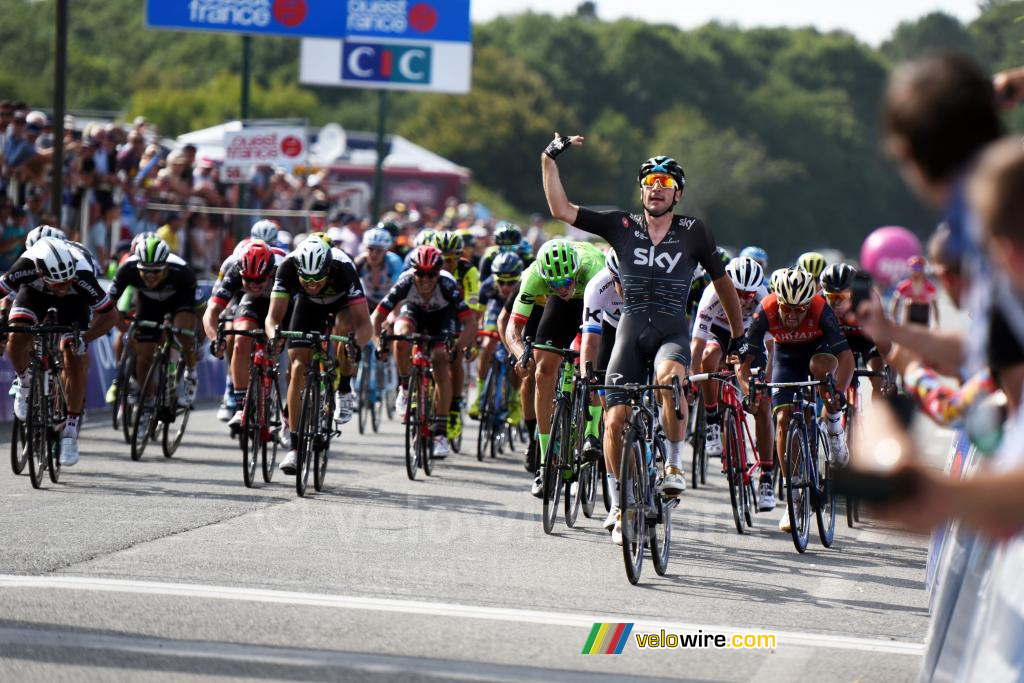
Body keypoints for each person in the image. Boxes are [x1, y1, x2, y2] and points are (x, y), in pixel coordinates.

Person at [540, 139, 745, 543]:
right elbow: (561, 210)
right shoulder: (621, 226)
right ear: (641, 190)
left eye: (665, 182)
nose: (656, 188)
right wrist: (549, 159)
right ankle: (617, 504)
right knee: (614, 419)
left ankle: (672, 465)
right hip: (630, 335)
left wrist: (738, 338)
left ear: (678, 193)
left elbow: (724, 287)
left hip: (671, 332)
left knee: (670, 380)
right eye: (650, 181)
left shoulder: (694, 232)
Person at [737, 268, 853, 531]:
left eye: (799, 310)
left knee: (821, 367)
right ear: (778, 302)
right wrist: (749, 390)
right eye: (786, 309)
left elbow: (846, 358)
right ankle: (793, 498)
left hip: (818, 352)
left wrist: (839, 394)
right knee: (782, 418)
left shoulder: (820, 308)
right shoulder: (766, 309)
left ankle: (834, 427)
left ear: (808, 305)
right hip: (786, 357)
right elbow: (745, 360)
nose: (792, 315)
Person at [0, 238, 118, 464]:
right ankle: (25, 384)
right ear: (41, 273)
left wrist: (85, 338)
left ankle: (70, 433)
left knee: (74, 355)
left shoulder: (81, 276)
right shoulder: (25, 267)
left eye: (66, 281)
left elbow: (111, 316)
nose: (62, 287)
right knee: (16, 335)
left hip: (75, 302)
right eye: (58, 284)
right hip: (35, 293)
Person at [505, 239, 605, 498]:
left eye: (566, 282)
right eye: (555, 284)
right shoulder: (534, 276)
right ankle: (544, 459)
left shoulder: (593, 268)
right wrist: (520, 355)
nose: (562, 288)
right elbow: (512, 329)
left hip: (593, 302)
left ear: (574, 272)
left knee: (593, 365)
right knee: (542, 370)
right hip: (562, 310)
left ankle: (592, 433)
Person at [265, 237, 372, 474]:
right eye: (307, 279)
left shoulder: (343, 267)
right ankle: (294, 447)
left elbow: (365, 324)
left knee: (344, 332)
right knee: (297, 368)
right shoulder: (288, 267)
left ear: (328, 268)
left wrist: (356, 345)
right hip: (307, 306)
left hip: (342, 304)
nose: (312, 283)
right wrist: (274, 335)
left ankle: (344, 387)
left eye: (318, 279)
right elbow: (273, 317)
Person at [370, 245, 477, 457]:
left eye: (431, 274)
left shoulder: (447, 284)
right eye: (420, 273)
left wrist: (457, 347)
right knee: (401, 336)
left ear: (438, 273)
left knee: (440, 360)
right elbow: (377, 318)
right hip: (414, 313)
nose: (426, 279)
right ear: (413, 272)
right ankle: (405, 387)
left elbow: (471, 323)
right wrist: (378, 343)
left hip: (442, 317)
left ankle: (440, 433)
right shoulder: (405, 282)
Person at [691, 256, 774, 507]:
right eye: (739, 293)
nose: (744, 299)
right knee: (709, 357)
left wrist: (766, 382)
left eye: (749, 295)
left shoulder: (762, 294)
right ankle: (713, 418)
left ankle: (767, 477)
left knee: (762, 405)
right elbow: (697, 345)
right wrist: (692, 382)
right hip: (718, 329)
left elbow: (772, 346)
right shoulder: (712, 294)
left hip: (750, 332)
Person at [107, 237, 200, 438]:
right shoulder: (128, 269)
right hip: (148, 305)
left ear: (166, 265)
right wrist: (118, 323)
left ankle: (191, 373)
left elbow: (201, 310)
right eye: (145, 271)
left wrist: (195, 338)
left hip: (178, 301)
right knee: (144, 357)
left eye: (156, 271)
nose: (150, 276)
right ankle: (147, 402)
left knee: (184, 333)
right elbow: (107, 305)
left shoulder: (182, 272)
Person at [203, 240, 283, 431]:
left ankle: (286, 417)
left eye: (259, 280)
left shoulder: (283, 270)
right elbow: (211, 312)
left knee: (288, 358)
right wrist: (215, 339)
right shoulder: (235, 268)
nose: (254, 285)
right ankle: (240, 406)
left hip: (281, 302)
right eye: (247, 280)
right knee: (240, 341)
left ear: (270, 273)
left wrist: (281, 339)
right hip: (252, 304)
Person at [581, 248, 624, 529]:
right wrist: (589, 378)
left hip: (645, 329)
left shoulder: (650, 281)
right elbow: (590, 341)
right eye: (619, 279)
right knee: (611, 418)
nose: (624, 286)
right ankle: (617, 499)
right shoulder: (598, 287)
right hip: (610, 331)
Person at [469, 251, 524, 424]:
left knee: (519, 356)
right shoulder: (487, 286)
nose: (506, 287)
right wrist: (476, 334)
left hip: (518, 310)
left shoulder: (525, 285)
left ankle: (515, 402)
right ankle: (479, 396)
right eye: (501, 281)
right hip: (496, 310)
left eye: (511, 282)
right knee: (488, 343)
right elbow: (478, 316)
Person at [891, 256, 940, 328]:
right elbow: (895, 302)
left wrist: (936, 323)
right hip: (908, 322)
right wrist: (894, 319)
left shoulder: (930, 288)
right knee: (908, 302)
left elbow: (935, 306)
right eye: (915, 267)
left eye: (919, 268)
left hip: (923, 322)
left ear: (923, 269)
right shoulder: (904, 286)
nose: (917, 271)